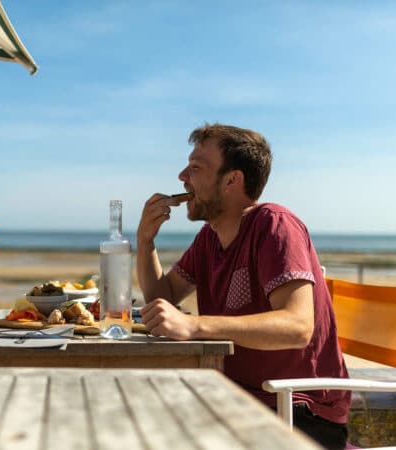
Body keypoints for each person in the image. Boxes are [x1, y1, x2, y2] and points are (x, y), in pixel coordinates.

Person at [136, 124, 350, 450]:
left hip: (297, 411)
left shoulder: (275, 225)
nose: (182, 176)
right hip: (236, 401)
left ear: (232, 180)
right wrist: (145, 242)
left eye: (196, 167)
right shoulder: (209, 239)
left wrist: (193, 325)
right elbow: (161, 300)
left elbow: (297, 326)